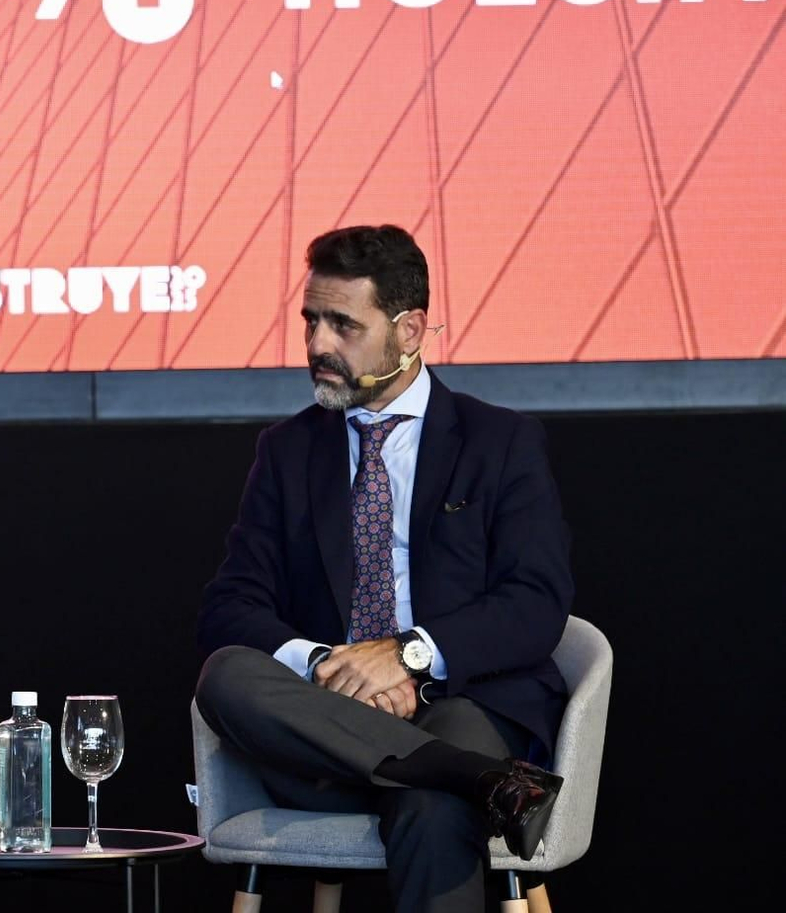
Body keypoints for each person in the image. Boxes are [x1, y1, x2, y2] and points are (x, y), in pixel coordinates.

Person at [195, 225, 574, 913]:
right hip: (326, 731)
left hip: (464, 705)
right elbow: (231, 604)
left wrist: (406, 657)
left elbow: (535, 602)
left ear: (410, 329)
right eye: (311, 320)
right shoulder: (285, 452)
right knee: (226, 671)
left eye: (342, 324)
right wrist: (326, 666)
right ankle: (484, 781)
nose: (316, 345)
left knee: (433, 808)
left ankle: (455, 772)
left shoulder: (499, 441)